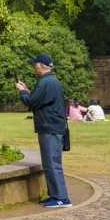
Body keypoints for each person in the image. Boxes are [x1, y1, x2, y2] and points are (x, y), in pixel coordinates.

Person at [16, 54, 72, 208]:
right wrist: (27, 90)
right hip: (51, 126)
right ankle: (55, 194)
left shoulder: (46, 82)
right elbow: (39, 99)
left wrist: (21, 92)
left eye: (35, 64)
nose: (34, 67)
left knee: (53, 163)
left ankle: (62, 198)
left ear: (41, 65)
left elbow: (32, 103)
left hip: (50, 128)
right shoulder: (50, 81)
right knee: (48, 163)